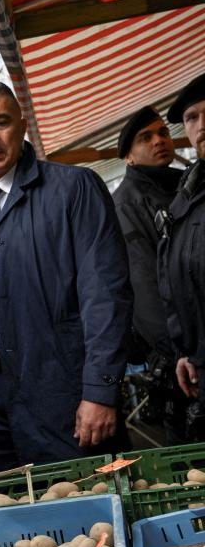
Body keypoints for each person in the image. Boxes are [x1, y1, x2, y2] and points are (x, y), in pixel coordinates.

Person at [0, 80, 132, 475]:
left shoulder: (74, 189)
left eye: (1, 122)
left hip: (59, 390)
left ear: (22, 127)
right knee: (4, 517)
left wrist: (100, 390)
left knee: (83, 511)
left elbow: (106, 297)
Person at [111, 106, 186, 442]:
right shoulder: (127, 203)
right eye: (146, 137)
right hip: (181, 361)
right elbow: (144, 289)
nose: (159, 141)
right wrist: (179, 353)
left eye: (163, 133)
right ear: (128, 156)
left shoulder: (182, 185)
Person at [161, 73, 205, 440]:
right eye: (192, 118)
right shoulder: (187, 192)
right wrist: (184, 351)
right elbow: (177, 280)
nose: (201, 126)